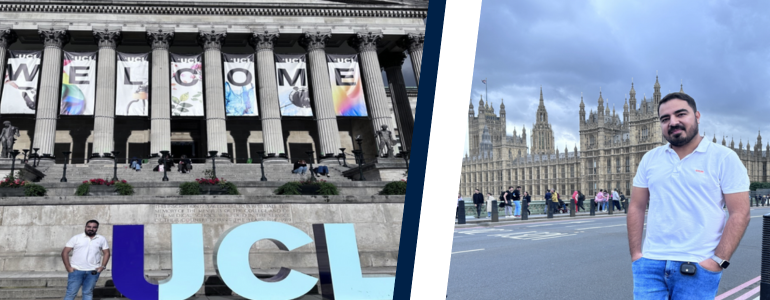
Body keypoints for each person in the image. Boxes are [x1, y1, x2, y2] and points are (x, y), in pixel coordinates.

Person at [627, 92, 750, 299]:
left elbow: (740, 213)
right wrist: (637, 256)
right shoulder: (650, 159)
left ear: (697, 116)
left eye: (680, 114)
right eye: (665, 119)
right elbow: (636, 206)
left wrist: (718, 261)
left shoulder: (724, 157)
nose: (673, 122)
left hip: (698, 267)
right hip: (650, 265)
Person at [62, 220, 110, 300]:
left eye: (94, 227)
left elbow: (107, 253)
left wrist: (102, 266)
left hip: (93, 271)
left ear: (97, 228)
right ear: (85, 227)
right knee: (71, 293)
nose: (91, 229)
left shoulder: (101, 239)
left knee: (87, 293)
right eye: (89, 227)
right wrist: (68, 267)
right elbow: (64, 252)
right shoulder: (76, 238)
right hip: (76, 271)